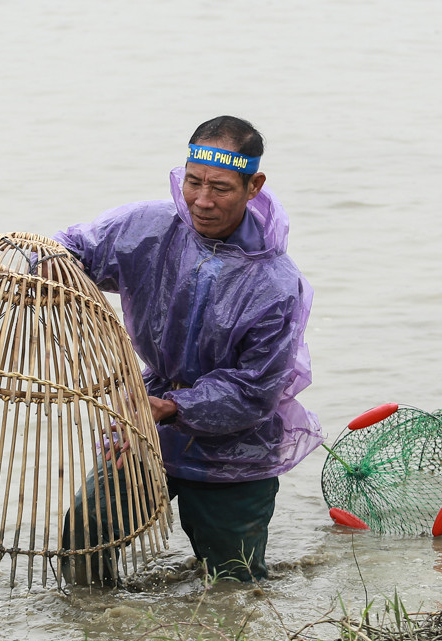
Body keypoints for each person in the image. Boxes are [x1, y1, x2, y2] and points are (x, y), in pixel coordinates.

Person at [54, 115, 323, 585]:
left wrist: (174, 405)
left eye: (219, 188)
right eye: (193, 182)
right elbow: (76, 248)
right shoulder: (149, 227)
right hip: (148, 422)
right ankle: (94, 628)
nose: (201, 200)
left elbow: (255, 390)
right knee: (87, 528)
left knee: (232, 582)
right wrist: (41, 266)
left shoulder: (277, 285)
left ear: (253, 185)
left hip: (235, 447)